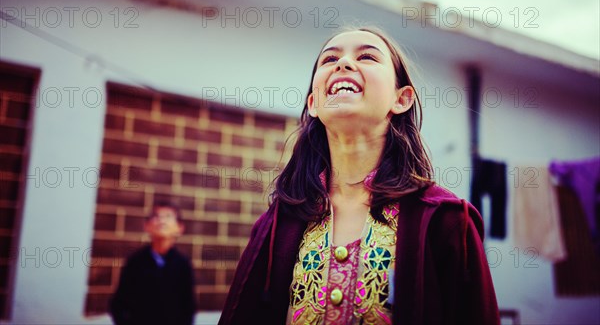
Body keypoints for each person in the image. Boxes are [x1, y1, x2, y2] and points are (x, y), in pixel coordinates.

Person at [219, 26, 500, 325]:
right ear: (313, 103)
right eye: (329, 60)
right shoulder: (276, 225)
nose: (344, 64)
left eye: (366, 56)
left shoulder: (446, 220)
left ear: (401, 99)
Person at [109, 201, 196, 325]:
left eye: (168, 216)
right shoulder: (135, 262)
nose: (162, 220)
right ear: (147, 226)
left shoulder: (183, 264)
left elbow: (188, 307)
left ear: (179, 228)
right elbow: (118, 304)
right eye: (156, 216)